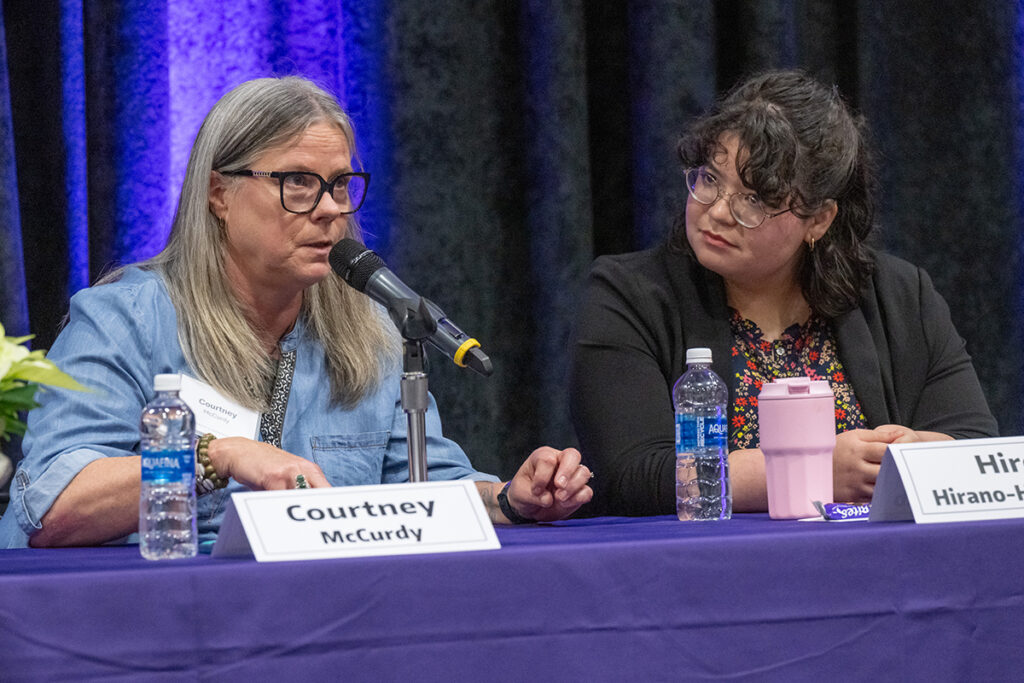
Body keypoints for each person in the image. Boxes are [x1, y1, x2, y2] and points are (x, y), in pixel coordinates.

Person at [0, 76, 592, 548]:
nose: (331, 209)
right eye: (299, 183)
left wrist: (514, 498)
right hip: (145, 615)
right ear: (219, 194)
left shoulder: (369, 330)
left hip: (313, 609)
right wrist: (218, 456)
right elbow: (52, 508)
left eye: (339, 185)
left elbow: (423, 490)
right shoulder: (124, 319)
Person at [569, 70, 997, 517]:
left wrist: (911, 457)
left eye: (755, 200)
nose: (717, 212)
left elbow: (977, 448)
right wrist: (814, 472)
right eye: (710, 180)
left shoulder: (902, 296)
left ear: (819, 220)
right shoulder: (628, 294)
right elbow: (632, 475)